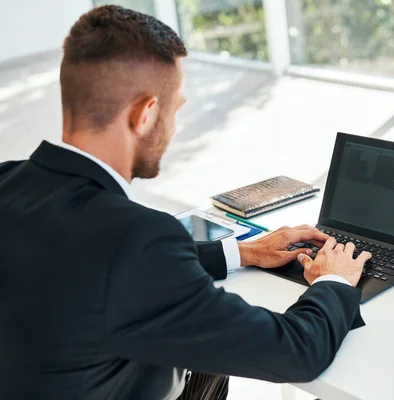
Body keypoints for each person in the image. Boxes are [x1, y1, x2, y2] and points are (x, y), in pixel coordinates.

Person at [0, 5, 371, 400]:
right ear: (144, 114)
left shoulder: (8, 181)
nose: (174, 126)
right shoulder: (137, 239)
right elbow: (296, 352)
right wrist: (334, 280)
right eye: (175, 108)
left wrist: (241, 252)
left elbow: (86, 263)